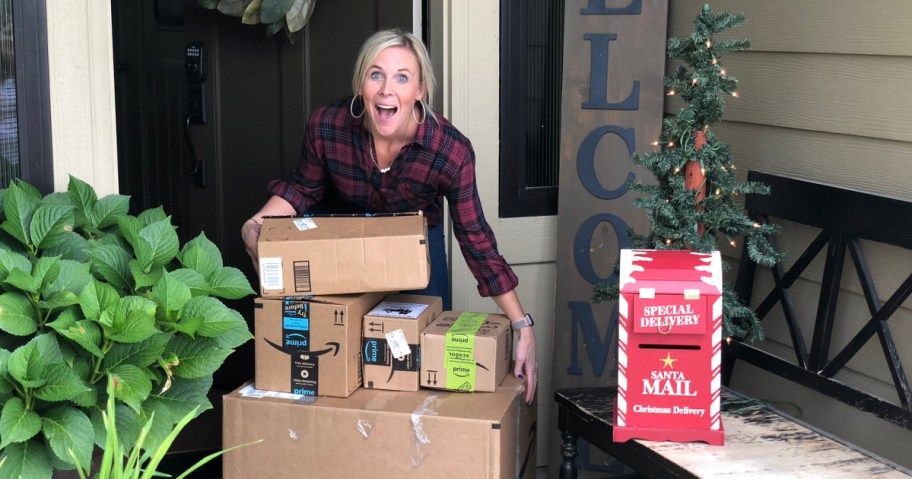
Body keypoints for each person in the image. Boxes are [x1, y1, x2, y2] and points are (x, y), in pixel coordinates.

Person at [241, 29, 537, 404]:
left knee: (414, 365)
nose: (386, 90)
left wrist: (521, 325)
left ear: (420, 90)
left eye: (402, 77)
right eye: (376, 74)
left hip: (413, 246)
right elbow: (303, 190)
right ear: (360, 82)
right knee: (338, 364)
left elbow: (476, 240)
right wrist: (256, 224)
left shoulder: (451, 151)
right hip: (342, 240)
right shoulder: (326, 125)